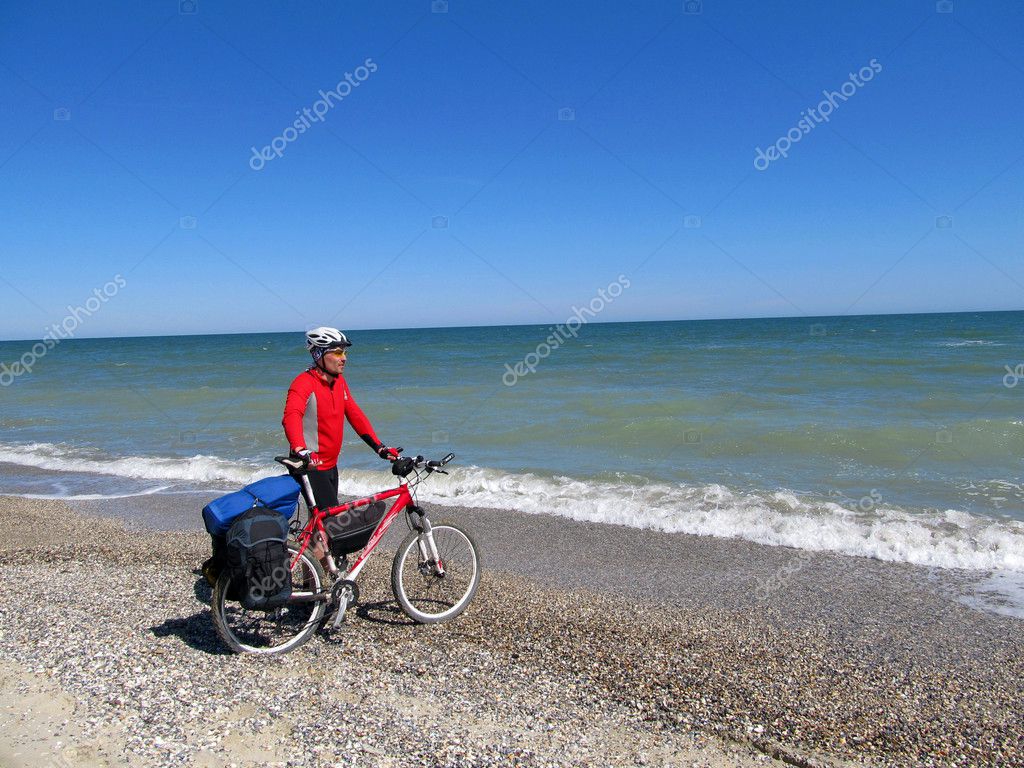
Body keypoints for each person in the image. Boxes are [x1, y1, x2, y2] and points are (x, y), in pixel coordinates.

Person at [282, 327, 398, 566]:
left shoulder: (339, 382)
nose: (343, 358)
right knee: (328, 524)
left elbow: (354, 414)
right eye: (336, 352)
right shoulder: (303, 383)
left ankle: (312, 579)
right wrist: (300, 448)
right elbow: (291, 415)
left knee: (322, 523)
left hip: (330, 466)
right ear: (318, 355)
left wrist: (379, 447)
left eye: (344, 352)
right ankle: (319, 583)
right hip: (310, 467)